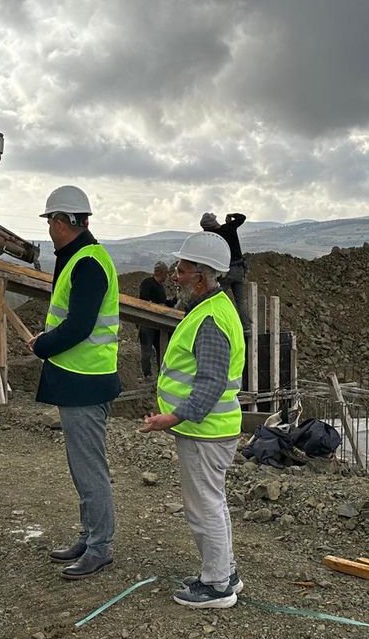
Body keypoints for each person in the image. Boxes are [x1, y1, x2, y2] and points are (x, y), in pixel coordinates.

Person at [140, 231, 247, 609]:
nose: (176, 276)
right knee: (211, 502)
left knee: (204, 506)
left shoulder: (212, 318)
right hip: (209, 430)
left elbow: (210, 383)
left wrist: (171, 417)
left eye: (182, 270)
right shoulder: (210, 309)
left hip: (206, 431)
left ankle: (217, 586)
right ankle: (225, 573)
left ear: (201, 276)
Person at [28, 185, 121, 580]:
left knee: (88, 467)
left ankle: (100, 546)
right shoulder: (79, 259)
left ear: (65, 222)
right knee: (81, 465)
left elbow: (80, 326)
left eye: (51, 220)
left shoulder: (87, 263)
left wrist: (42, 345)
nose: (49, 227)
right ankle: (89, 536)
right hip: (79, 378)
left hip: (86, 380)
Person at [200, 212, 250, 332]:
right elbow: (242, 217)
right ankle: (246, 327)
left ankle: (214, 322)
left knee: (215, 297)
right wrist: (231, 216)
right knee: (240, 301)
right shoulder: (229, 227)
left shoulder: (213, 237)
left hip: (226, 272)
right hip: (239, 270)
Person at [137, 261, 170, 379]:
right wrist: (158, 305)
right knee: (146, 351)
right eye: (165, 273)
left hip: (158, 325)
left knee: (161, 350)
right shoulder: (147, 283)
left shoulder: (161, 287)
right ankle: (147, 374)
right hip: (146, 323)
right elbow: (144, 302)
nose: (167, 276)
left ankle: (161, 373)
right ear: (159, 272)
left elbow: (163, 303)